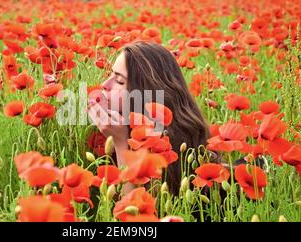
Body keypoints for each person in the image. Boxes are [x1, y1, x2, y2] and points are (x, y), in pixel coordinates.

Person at [87, 41, 211, 196]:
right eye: (109, 75)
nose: (104, 84)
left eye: (119, 81)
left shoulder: (169, 150)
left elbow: (133, 212)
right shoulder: (101, 133)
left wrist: (120, 143)